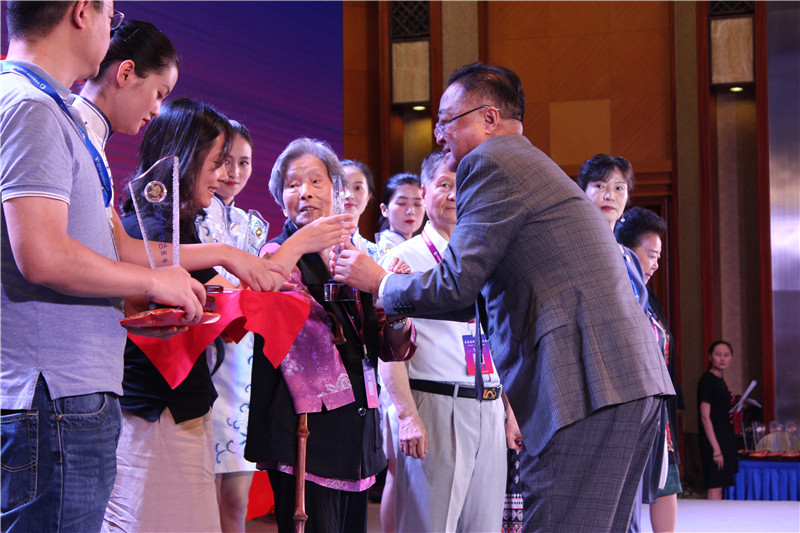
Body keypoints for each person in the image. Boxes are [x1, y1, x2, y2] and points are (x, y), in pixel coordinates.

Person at [332, 62, 674, 532]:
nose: (439, 136)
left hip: (586, 383)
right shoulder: (529, 165)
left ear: (489, 118)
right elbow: (470, 297)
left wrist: (380, 283)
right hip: (623, 381)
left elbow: (456, 282)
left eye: (447, 121)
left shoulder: (491, 162)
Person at [0, 4, 204, 531]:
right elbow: (43, 255)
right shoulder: (31, 107)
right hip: (55, 395)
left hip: (58, 392)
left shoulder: (42, 105)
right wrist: (153, 280)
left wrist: (130, 296)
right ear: (81, 11)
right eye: (110, 14)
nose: (110, 29)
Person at [245, 138, 388, 533]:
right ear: (281, 200)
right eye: (292, 184)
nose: (304, 192)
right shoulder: (275, 255)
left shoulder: (354, 255)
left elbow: (381, 345)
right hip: (304, 432)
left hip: (357, 425)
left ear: (337, 192)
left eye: (315, 181)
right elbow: (269, 298)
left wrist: (391, 305)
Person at [379, 150, 514, 532]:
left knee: (484, 525)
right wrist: (407, 416)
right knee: (430, 525)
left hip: (489, 406)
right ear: (424, 192)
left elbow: (501, 340)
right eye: (444, 185)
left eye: (463, 185)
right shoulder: (402, 258)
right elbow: (387, 348)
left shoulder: (486, 257)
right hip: (435, 404)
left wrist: (510, 411)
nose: (454, 194)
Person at [196, 120, 259, 532]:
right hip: (202, 357)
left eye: (244, 162)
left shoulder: (250, 224)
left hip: (243, 366)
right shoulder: (191, 217)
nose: (233, 172)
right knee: (198, 500)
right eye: (224, 161)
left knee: (237, 500)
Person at [616, 206, 684, 533]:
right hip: (625, 410)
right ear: (627, 251)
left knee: (666, 483)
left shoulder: (649, 300)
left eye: (659, 257)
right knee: (623, 496)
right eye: (651, 255)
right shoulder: (616, 292)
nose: (656, 264)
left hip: (658, 411)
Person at [697, 340, 739, 500]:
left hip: (724, 440)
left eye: (726, 355)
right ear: (710, 357)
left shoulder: (720, 381)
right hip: (713, 442)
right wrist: (716, 449)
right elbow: (705, 417)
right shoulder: (707, 381)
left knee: (720, 487)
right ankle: (711, 517)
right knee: (714, 487)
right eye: (718, 354)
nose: (722, 358)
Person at [375, 172, 424, 257]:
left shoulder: (421, 249)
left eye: (417, 204)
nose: (411, 211)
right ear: (384, 209)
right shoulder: (380, 253)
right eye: (401, 203)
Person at [341, 159, 380, 260]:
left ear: (368, 198)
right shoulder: (316, 247)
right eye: (342, 186)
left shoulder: (376, 254)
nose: (349, 195)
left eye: (358, 188)